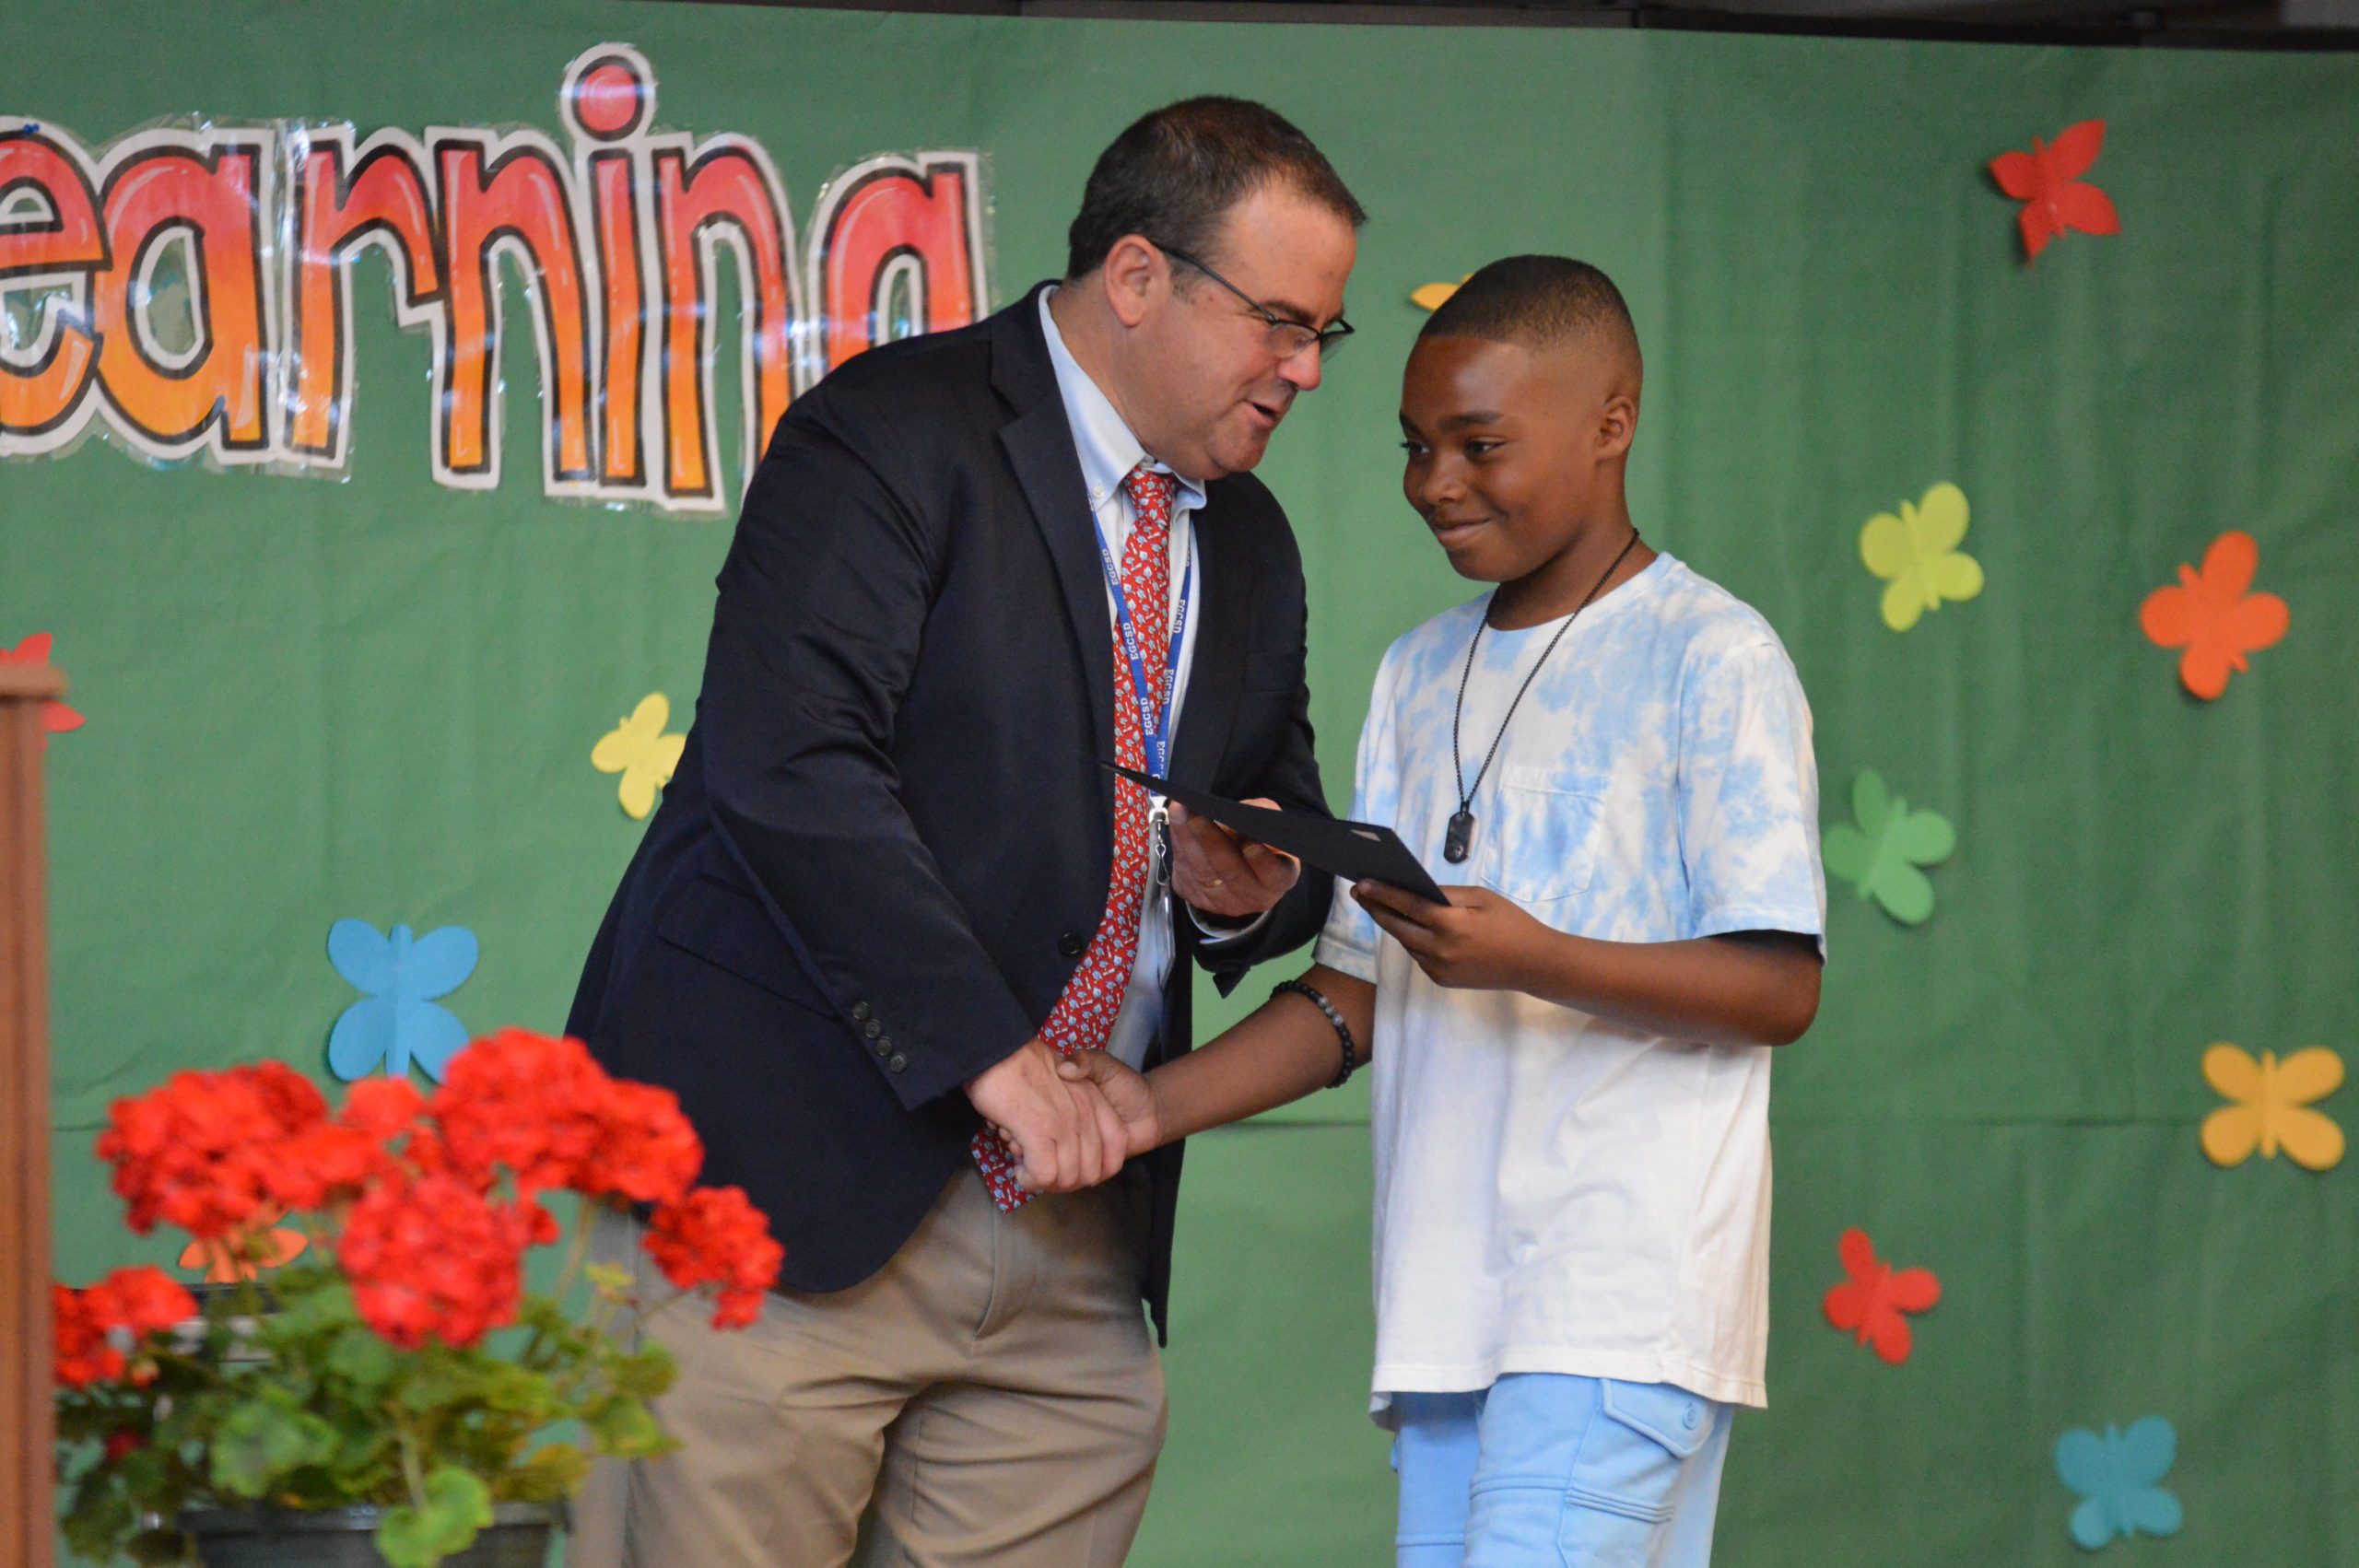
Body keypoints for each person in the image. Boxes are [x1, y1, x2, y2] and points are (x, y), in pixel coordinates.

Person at [561, 99, 1360, 1568]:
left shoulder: (1248, 539)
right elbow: (790, 763)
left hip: (1070, 1243)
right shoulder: (888, 431)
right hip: (786, 1186)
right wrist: (999, 1061)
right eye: (1279, 322)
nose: (1306, 369)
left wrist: (1254, 887)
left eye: (1328, 334)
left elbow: (1273, 809)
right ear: (1138, 278)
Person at [1065, 255, 1826, 1567]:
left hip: (1615, 1303)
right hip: (1444, 1313)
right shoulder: (1417, 672)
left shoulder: (1714, 653)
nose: (1436, 483)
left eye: (1480, 444)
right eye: (1416, 447)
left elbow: (1780, 985)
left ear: (1612, 421)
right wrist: (1146, 1105)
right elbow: (1356, 994)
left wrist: (1530, 956)